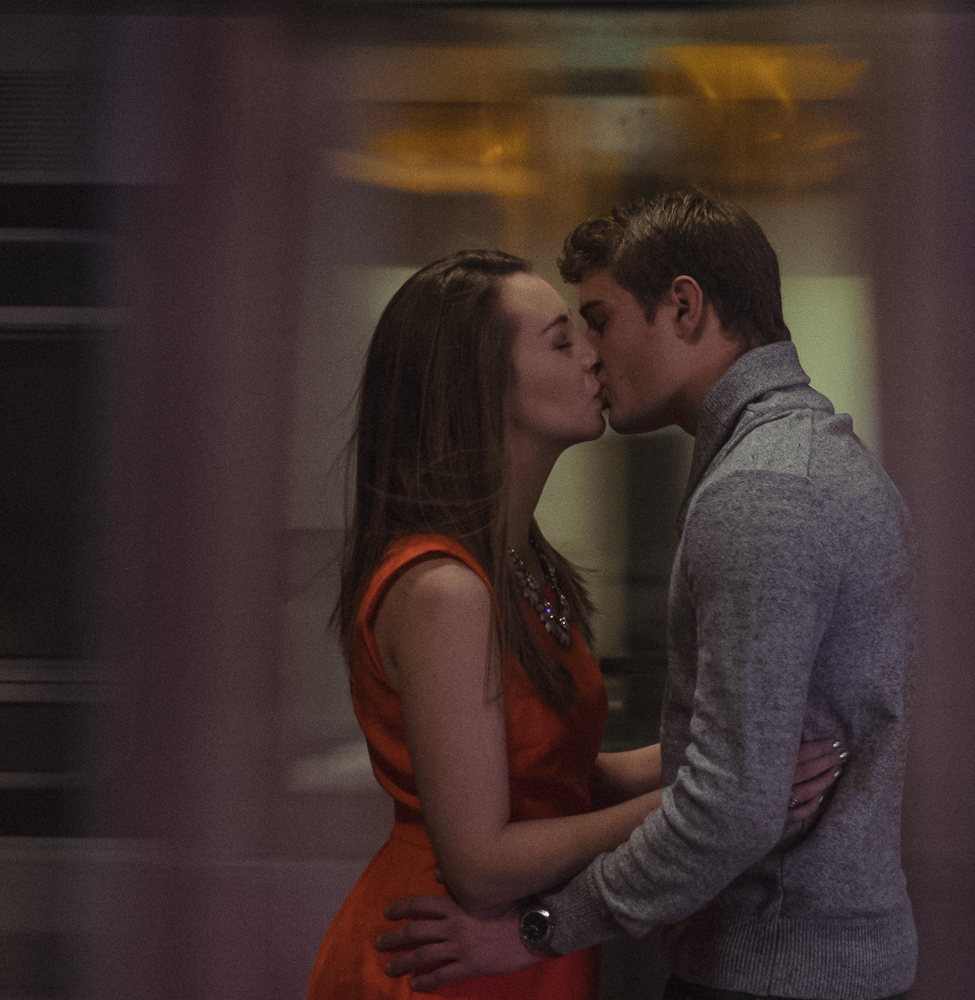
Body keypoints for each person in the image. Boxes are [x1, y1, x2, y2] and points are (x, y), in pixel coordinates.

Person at [375, 192, 917, 1000]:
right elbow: (728, 782)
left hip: (774, 972)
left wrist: (540, 928)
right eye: (568, 336)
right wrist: (723, 783)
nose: (592, 356)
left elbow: (732, 807)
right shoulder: (785, 464)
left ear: (685, 307)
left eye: (596, 322)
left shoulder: (763, 491)